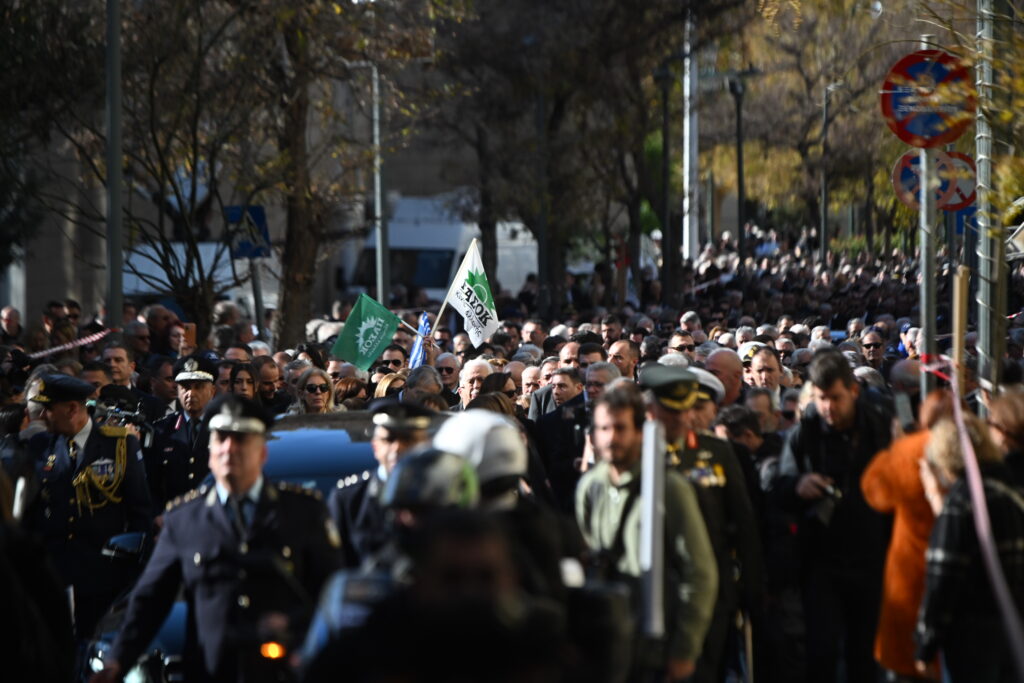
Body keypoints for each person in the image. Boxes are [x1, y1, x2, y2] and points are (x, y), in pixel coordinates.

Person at [91, 394, 342, 683]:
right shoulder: (184, 519)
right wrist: (117, 662)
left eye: (241, 440)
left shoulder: (302, 512)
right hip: (210, 671)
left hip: (286, 670)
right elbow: (150, 601)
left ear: (262, 453)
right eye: (221, 439)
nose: (229, 449)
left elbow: (332, 592)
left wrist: (293, 624)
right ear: (209, 452)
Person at [576, 382, 718, 681]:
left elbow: (700, 574)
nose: (611, 437)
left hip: (656, 644)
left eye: (620, 428)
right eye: (603, 428)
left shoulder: (669, 488)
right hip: (609, 642)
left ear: (640, 431)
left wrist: (684, 651)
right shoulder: (590, 487)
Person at [775, 348, 893, 683]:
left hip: (872, 559)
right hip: (821, 562)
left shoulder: (879, 428)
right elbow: (780, 488)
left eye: (836, 398)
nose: (829, 407)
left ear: (853, 391)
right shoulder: (806, 433)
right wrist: (800, 485)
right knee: (821, 653)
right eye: (822, 398)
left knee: (865, 656)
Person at [643, 364, 764, 683]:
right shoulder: (641, 450)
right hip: (656, 581)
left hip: (711, 580)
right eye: (683, 407)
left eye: (697, 407)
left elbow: (744, 521)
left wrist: (752, 588)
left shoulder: (717, 451)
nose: (690, 416)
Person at [23, 374, 152, 642]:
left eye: (49, 409)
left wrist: (133, 569)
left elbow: (140, 511)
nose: (42, 416)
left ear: (72, 409)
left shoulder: (119, 444)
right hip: (54, 573)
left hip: (102, 574)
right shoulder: (40, 446)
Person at [915, 415, 1024, 683]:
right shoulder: (1010, 494)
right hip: (1012, 629)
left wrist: (924, 647)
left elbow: (942, 582)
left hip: (971, 637)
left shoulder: (960, 504)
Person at [860, 389, 957, 680]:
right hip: (961, 583)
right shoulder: (979, 450)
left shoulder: (911, 449)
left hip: (911, 578)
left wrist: (895, 447)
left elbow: (874, 492)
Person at [328, 400, 434, 568]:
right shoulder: (349, 498)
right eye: (389, 439)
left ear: (426, 445)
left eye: (408, 439)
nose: (397, 448)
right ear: (375, 446)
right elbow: (336, 569)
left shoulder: (442, 496)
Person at [146, 355, 218, 508]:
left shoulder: (222, 430)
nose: (190, 393)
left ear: (212, 391)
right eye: (185, 387)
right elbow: (152, 485)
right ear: (177, 390)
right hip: (174, 517)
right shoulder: (161, 430)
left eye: (198, 387)